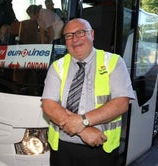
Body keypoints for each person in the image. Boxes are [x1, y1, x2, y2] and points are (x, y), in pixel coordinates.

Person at [41, 18, 135, 166]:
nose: (75, 39)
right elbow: (48, 105)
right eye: (69, 35)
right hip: (62, 148)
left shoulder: (113, 62)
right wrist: (83, 130)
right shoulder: (57, 67)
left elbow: (121, 104)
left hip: (101, 149)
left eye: (80, 33)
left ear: (92, 34)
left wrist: (83, 121)